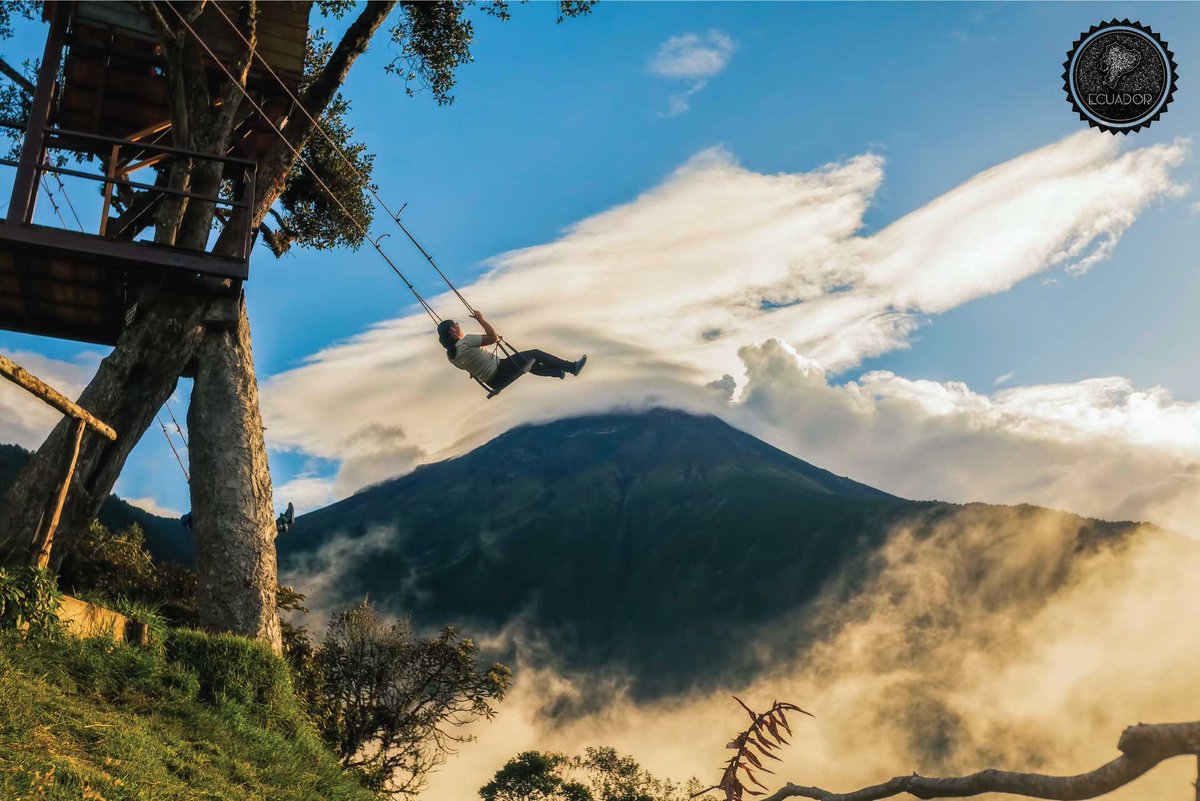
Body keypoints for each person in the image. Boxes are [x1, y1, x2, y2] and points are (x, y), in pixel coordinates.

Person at [437, 311, 586, 388]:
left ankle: (556, 372)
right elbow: (492, 338)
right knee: (535, 353)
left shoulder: (451, 356)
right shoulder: (467, 341)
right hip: (500, 370)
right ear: (452, 330)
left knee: (527, 362)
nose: (459, 325)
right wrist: (481, 319)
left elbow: (473, 359)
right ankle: (571, 368)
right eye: (456, 324)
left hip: (493, 382)